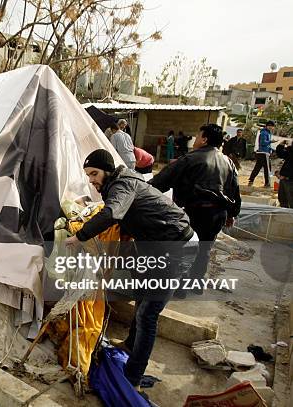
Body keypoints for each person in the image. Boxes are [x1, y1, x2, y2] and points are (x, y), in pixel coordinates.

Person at [65, 149, 197, 390]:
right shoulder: (120, 182)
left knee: (148, 313)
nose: (92, 180)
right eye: (88, 175)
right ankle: (130, 345)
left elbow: (113, 212)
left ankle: (132, 378)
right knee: (141, 297)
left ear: (107, 170)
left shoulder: (122, 185)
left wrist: (80, 236)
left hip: (176, 247)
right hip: (158, 244)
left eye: (94, 173)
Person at [150, 124, 241, 296]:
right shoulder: (228, 162)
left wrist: (141, 193)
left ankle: (180, 288)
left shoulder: (190, 159)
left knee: (185, 248)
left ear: (204, 139)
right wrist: (232, 214)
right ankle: (196, 284)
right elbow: (234, 192)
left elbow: (160, 182)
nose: (195, 140)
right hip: (217, 214)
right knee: (205, 249)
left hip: (194, 212)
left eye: (198, 136)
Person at [248, 121, 275, 187]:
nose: (272, 128)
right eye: (271, 126)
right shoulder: (264, 133)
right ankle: (267, 183)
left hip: (263, 152)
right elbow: (263, 143)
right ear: (268, 126)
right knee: (267, 169)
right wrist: (271, 141)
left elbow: (266, 145)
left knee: (258, 167)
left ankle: (251, 181)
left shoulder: (267, 133)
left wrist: (271, 149)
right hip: (264, 153)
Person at [276, 141, 293, 208]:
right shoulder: (290, 150)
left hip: (291, 181)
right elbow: (281, 154)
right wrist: (281, 145)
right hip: (284, 179)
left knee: (292, 203)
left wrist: (289, 147)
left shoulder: (291, 150)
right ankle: (284, 217)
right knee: (283, 201)